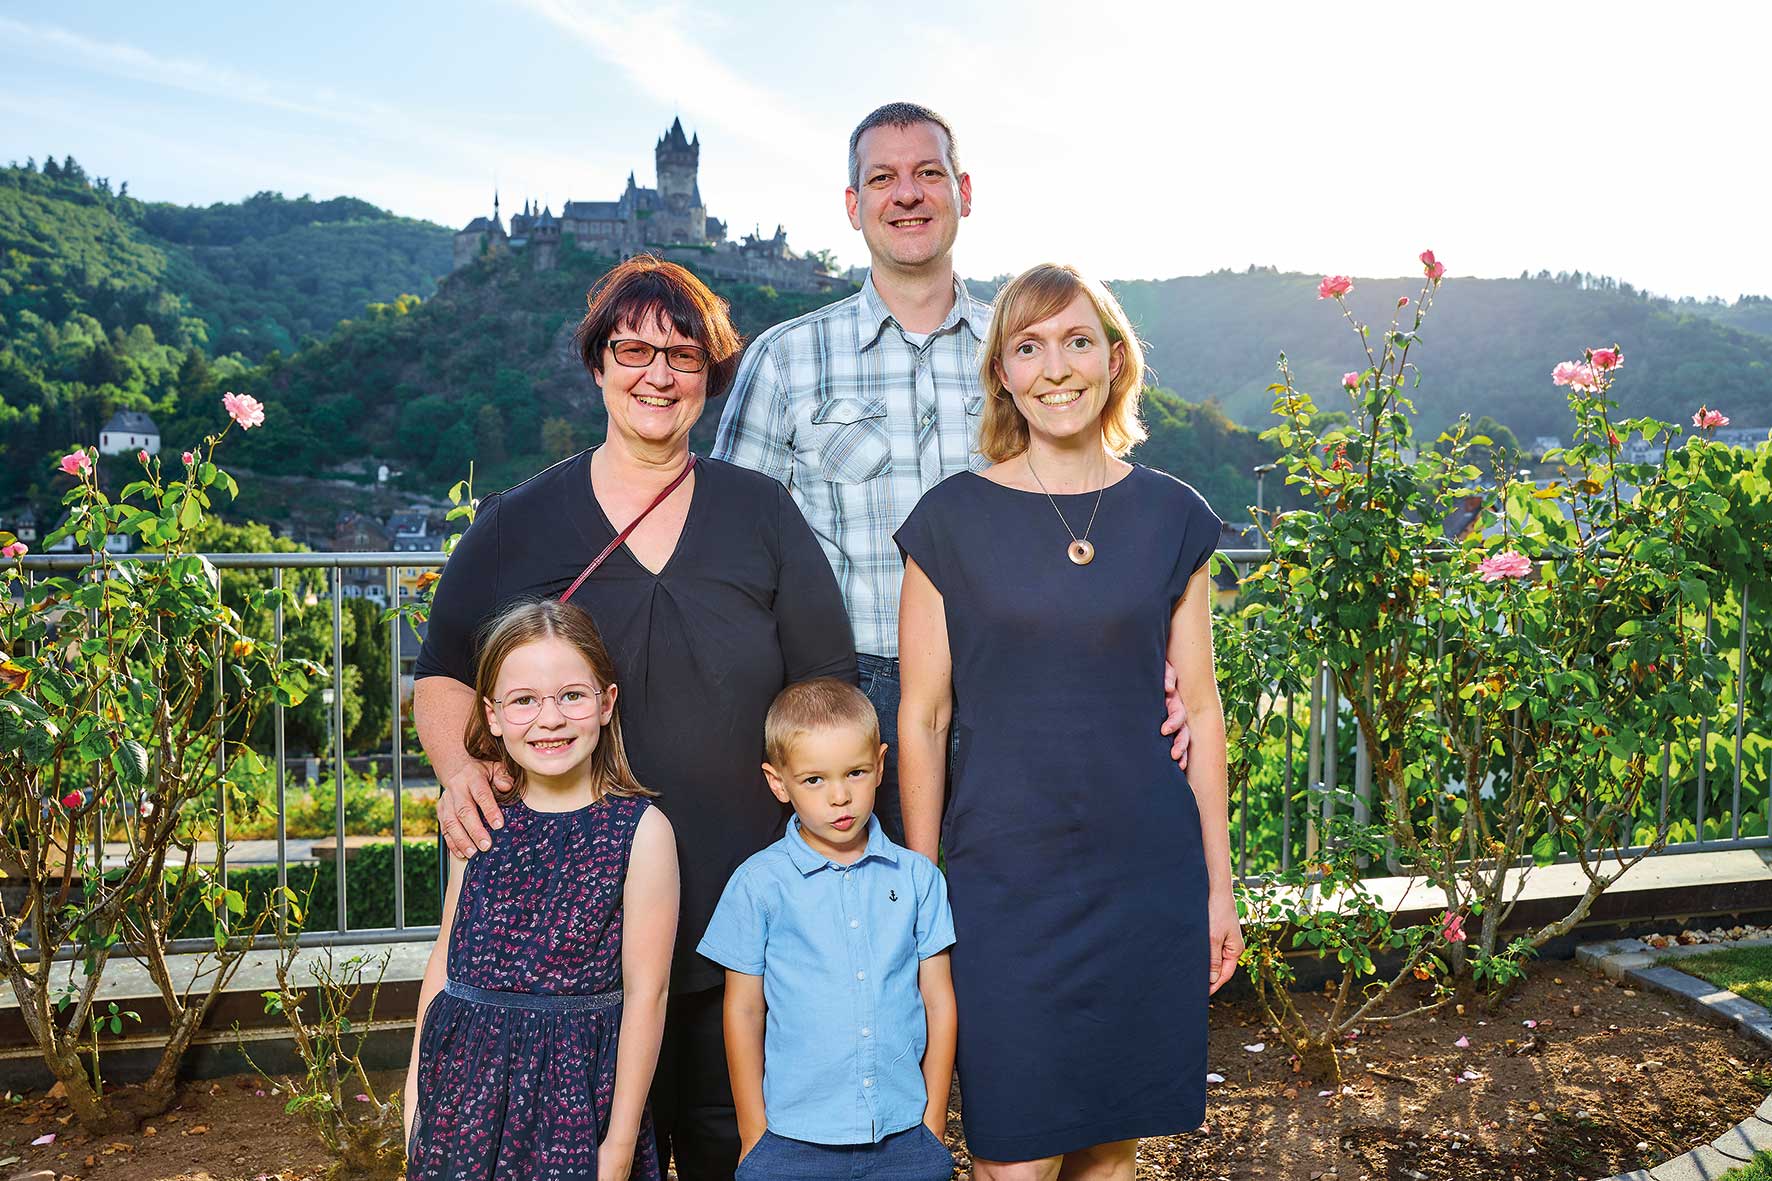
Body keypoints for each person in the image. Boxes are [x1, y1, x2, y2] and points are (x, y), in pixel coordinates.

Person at [416, 255, 856, 1180]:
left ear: (710, 376)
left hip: (740, 904)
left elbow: (824, 684)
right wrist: (463, 770)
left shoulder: (762, 513)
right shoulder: (517, 521)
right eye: (635, 350)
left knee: (729, 1142)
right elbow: (445, 672)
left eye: (684, 356)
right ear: (598, 364)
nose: (658, 373)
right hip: (563, 929)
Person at [713, 101, 1193, 847]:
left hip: (1019, 693)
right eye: (883, 178)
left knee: (1005, 934)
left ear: (963, 193)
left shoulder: (1027, 354)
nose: (907, 194)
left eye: (927, 173)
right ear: (853, 205)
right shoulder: (784, 360)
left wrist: (1149, 657)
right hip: (849, 711)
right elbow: (731, 561)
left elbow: (1091, 508)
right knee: (865, 944)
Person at [894, 263, 1243, 1179]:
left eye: (1078, 340)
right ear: (1002, 372)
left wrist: (1219, 887)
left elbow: (1199, 709)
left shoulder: (1172, 516)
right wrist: (925, 891)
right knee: (1016, 1157)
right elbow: (922, 719)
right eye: (1029, 345)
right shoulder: (948, 521)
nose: (1057, 366)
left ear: (1115, 359)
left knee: (1112, 1150)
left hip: (1144, 876)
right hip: (1003, 884)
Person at [405, 599, 677, 1180]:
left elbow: (647, 997)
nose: (549, 718)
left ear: (606, 704)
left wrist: (620, 1145)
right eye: (524, 700)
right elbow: (443, 966)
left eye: (571, 696)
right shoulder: (480, 816)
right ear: (493, 715)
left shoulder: (642, 833)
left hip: (577, 1108)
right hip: (462, 1102)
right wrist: (415, 1107)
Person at [698, 679, 957, 1181]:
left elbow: (939, 1003)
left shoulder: (918, 878)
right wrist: (754, 1134)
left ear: (881, 765)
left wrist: (933, 1124)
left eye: (856, 773)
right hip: (790, 1141)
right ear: (779, 783)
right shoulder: (758, 884)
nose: (840, 797)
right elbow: (744, 1009)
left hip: (904, 1137)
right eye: (814, 780)